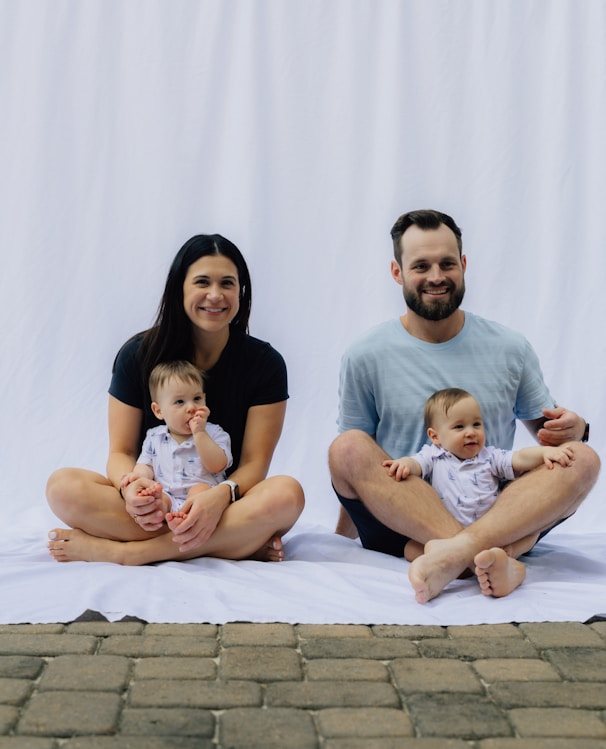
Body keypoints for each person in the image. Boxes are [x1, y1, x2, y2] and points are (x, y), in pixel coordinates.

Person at [328, 209, 600, 603]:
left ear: (464, 265)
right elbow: (358, 456)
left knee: (584, 458)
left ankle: (452, 555)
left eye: (447, 263)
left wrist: (576, 430)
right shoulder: (365, 354)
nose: (436, 276)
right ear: (397, 271)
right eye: (420, 265)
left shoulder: (510, 347)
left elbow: (553, 435)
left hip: (493, 507)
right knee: (346, 446)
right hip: (402, 516)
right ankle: (498, 557)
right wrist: (339, 541)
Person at [46, 234, 305, 565]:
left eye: (228, 283)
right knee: (63, 487)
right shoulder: (136, 355)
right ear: (179, 288)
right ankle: (236, 544)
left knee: (287, 494)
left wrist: (218, 499)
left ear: (241, 292)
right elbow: (121, 453)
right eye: (202, 282)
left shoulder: (265, 364)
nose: (215, 295)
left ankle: (126, 553)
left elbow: (254, 464)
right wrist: (132, 493)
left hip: (222, 502)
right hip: (157, 504)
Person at [384, 387, 576, 586]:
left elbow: (519, 457)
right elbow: (416, 464)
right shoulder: (433, 456)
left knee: (531, 533)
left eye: (476, 424)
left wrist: (543, 453)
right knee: (411, 547)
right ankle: (480, 565)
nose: (471, 432)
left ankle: (504, 559)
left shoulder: (489, 457)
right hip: (448, 533)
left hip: (491, 534)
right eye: (459, 427)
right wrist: (405, 464)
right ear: (435, 437)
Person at [125, 360, 233, 527]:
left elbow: (217, 465)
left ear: (205, 399)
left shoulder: (214, 433)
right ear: (158, 411)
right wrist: (139, 478)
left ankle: (187, 518)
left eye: (197, 398)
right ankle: (163, 515)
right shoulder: (154, 437)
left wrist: (200, 434)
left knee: (200, 491)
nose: (191, 407)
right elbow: (146, 465)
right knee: (157, 499)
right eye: (180, 402)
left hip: (206, 500)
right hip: (167, 493)